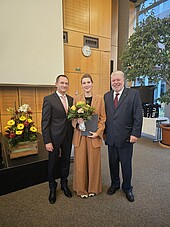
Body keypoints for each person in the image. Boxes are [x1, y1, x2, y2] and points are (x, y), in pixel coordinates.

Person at [104, 70, 143, 202]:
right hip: (111, 137)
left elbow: (138, 116)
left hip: (126, 137)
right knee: (113, 164)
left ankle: (127, 188)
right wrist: (104, 133)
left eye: (118, 80)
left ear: (123, 80)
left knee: (126, 165)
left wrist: (135, 134)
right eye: (113, 80)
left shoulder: (133, 94)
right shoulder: (107, 96)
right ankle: (115, 184)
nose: (115, 82)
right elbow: (106, 117)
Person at [72, 74, 106, 198]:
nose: (86, 85)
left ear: (92, 83)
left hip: (93, 136)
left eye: (88, 82)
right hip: (80, 136)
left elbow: (103, 118)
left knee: (93, 164)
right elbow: (72, 119)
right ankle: (81, 189)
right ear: (81, 85)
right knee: (80, 164)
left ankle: (93, 188)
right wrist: (77, 122)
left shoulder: (100, 99)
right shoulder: (76, 99)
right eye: (84, 83)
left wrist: (98, 132)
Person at [42, 74, 73, 204]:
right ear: (56, 84)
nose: (64, 85)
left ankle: (64, 184)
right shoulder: (49, 99)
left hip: (67, 136)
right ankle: (52, 188)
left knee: (66, 161)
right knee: (53, 164)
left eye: (66, 83)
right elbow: (45, 122)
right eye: (62, 83)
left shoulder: (71, 99)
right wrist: (47, 141)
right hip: (54, 138)